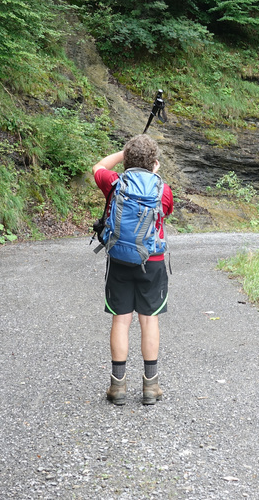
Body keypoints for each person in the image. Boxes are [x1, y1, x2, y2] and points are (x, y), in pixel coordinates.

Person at [92, 135, 174, 406]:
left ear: (126, 160)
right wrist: (153, 173)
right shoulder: (163, 190)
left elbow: (97, 166)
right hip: (152, 261)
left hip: (120, 260)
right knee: (149, 320)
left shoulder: (115, 182)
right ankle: (151, 387)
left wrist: (122, 154)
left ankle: (118, 387)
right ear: (154, 163)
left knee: (121, 320)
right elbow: (165, 213)